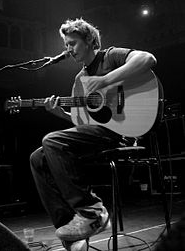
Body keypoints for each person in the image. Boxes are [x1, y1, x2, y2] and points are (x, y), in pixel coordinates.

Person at [30, 18, 157, 250]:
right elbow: (81, 124)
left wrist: (105, 80)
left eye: (73, 43)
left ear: (89, 41)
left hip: (121, 131)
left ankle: (92, 210)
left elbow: (148, 58)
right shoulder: (79, 79)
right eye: (66, 45)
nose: (68, 50)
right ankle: (71, 234)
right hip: (96, 134)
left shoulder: (110, 56)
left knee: (52, 140)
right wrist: (59, 113)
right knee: (38, 158)